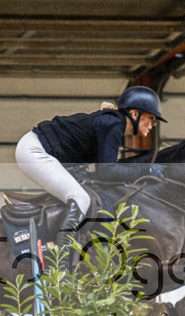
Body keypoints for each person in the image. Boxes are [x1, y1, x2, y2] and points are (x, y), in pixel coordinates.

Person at [15, 85, 167, 234]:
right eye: (151, 118)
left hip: (43, 149)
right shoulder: (113, 124)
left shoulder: (113, 123)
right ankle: (64, 258)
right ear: (135, 114)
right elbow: (107, 171)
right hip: (34, 150)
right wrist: (147, 170)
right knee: (80, 198)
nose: (154, 124)